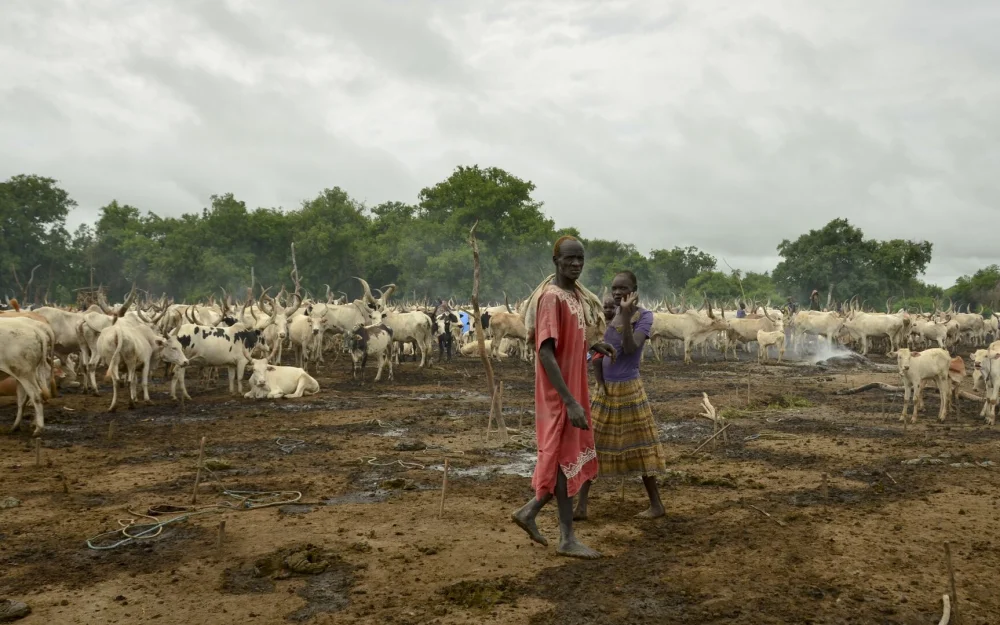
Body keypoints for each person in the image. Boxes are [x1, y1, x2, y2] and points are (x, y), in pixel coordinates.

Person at [511, 236, 615, 559]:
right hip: (558, 391)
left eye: (581, 259)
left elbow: (570, 339)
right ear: (555, 260)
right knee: (561, 454)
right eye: (570, 259)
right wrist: (569, 400)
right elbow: (545, 352)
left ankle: (532, 513)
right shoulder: (551, 298)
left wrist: (593, 345)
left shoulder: (574, 295)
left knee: (564, 454)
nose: (576, 264)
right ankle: (565, 537)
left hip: (572, 384)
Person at [574, 271, 668, 520]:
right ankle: (581, 506)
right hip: (604, 389)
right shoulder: (606, 315)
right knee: (593, 444)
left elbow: (629, 348)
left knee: (641, 445)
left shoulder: (644, 316)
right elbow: (595, 352)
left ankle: (656, 504)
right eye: (614, 288)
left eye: (622, 288)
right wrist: (598, 382)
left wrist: (626, 316)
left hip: (629, 388)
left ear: (634, 290)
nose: (617, 293)